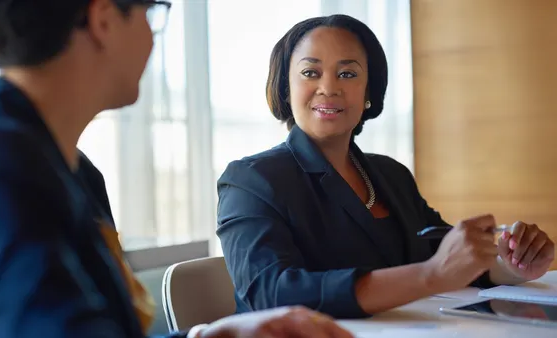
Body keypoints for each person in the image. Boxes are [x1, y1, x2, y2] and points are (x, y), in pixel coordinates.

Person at [0, 1, 354, 338]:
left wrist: (212, 335)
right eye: (151, 12)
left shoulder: (71, 171)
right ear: (104, 20)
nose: (151, 37)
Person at [216, 14, 555, 319]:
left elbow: (445, 257)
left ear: (368, 93)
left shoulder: (390, 175)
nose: (329, 87)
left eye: (347, 73)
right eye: (310, 72)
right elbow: (271, 294)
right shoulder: (250, 180)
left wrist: (510, 266)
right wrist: (430, 275)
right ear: (286, 89)